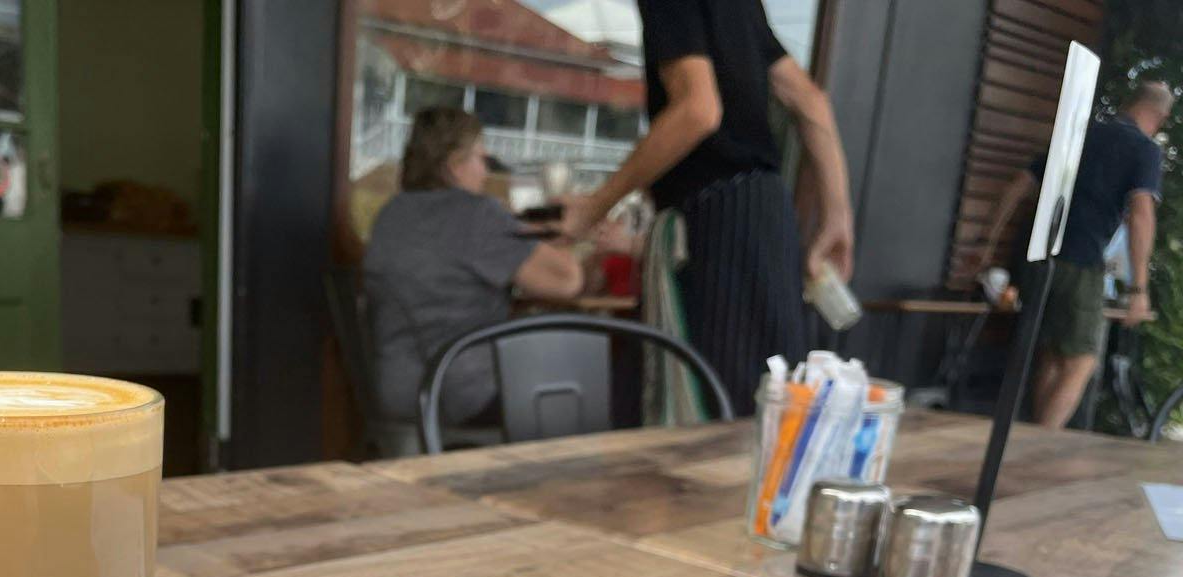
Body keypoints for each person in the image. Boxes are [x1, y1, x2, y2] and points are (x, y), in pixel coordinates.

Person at [559, 0, 855, 416]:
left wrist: (595, 206)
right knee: (768, 404)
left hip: (715, 219)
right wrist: (838, 217)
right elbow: (809, 100)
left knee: (700, 405)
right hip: (767, 212)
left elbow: (697, 110)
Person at [363, 108, 584, 431]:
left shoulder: (390, 214)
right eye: (481, 158)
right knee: (601, 381)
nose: (486, 171)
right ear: (455, 165)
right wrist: (564, 230)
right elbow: (567, 281)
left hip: (394, 390)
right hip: (461, 396)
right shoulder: (477, 214)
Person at [972, 81, 1172, 429]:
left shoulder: (1082, 133)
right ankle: (1039, 444)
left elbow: (1019, 185)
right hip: (1081, 262)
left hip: (1036, 258)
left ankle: (1032, 438)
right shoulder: (1144, 149)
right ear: (1160, 118)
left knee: (1053, 355)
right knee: (1081, 362)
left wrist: (986, 243)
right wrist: (1138, 289)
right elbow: (1142, 214)